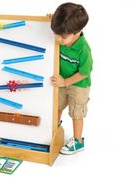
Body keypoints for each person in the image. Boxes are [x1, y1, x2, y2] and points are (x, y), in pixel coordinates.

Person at [50, 2, 93, 155]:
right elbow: (59, 29)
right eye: (56, 33)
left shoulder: (83, 50)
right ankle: (54, 129)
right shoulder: (63, 34)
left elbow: (84, 73)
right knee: (57, 105)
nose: (58, 39)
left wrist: (66, 82)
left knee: (76, 113)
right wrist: (52, 22)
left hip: (79, 84)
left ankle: (78, 141)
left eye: (62, 36)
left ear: (77, 32)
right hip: (63, 81)